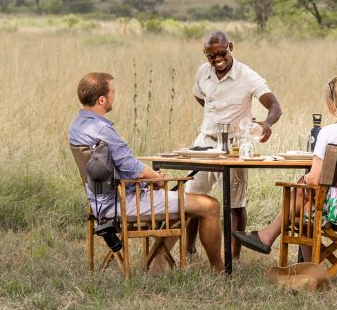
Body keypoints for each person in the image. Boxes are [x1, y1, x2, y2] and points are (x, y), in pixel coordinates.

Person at [69, 71, 224, 272]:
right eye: (112, 92)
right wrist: (157, 177)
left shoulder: (76, 126)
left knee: (184, 203)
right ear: (101, 99)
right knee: (209, 205)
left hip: (99, 204)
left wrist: (150, 177)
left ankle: (156, 263)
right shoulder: (102, 130)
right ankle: (221, 270)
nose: (114, 95)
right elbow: (134, 170)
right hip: (124, 202)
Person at [234, 74, 337, 259]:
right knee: (305, 199)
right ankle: (270, 238)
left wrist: (304, 180)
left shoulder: (329, 133)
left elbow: (314, 180)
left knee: (302, 194)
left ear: (332, 106)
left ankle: (306, 266)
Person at [186, 31, 282, 258]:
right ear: (205, 54)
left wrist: (266, 124)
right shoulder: (203, 72)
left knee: (235, 203)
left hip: (236, 144)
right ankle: (188, 250)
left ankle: (232, 256)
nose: (218, 59)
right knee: (191, 199)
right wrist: (215, 115)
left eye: (222, 53)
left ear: (231, 47)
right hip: (206, 141)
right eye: (212, 56)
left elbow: (275, 106)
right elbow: (200, 96)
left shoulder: (246, 75)